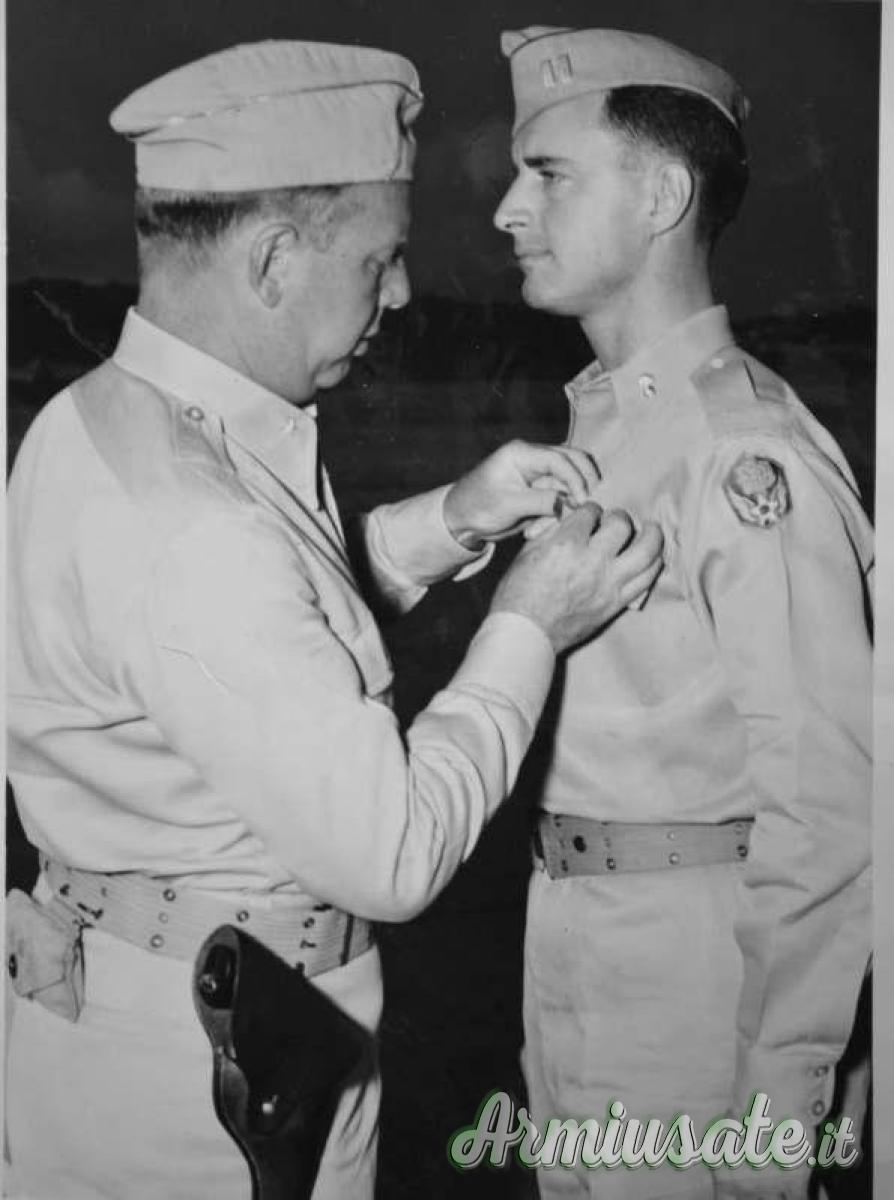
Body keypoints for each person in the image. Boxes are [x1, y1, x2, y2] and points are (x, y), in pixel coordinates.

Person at [4, 39, 664, 1200]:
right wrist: (529, 624)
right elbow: (392, 855)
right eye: (379, 258)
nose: (400, 294)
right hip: (214, 1102)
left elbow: (265, 636)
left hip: (179, 1022)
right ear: (272, 260)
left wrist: (453, 520)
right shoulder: (194, 527)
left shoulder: (108, 421)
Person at [493, 26, 873, 1200]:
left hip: (701, 988)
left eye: (547, 174)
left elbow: (829, 808)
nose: (508, 210)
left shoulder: (741, 452)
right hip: (575, 949)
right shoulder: (613, 428)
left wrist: (777, 1112)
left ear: (661, 196)